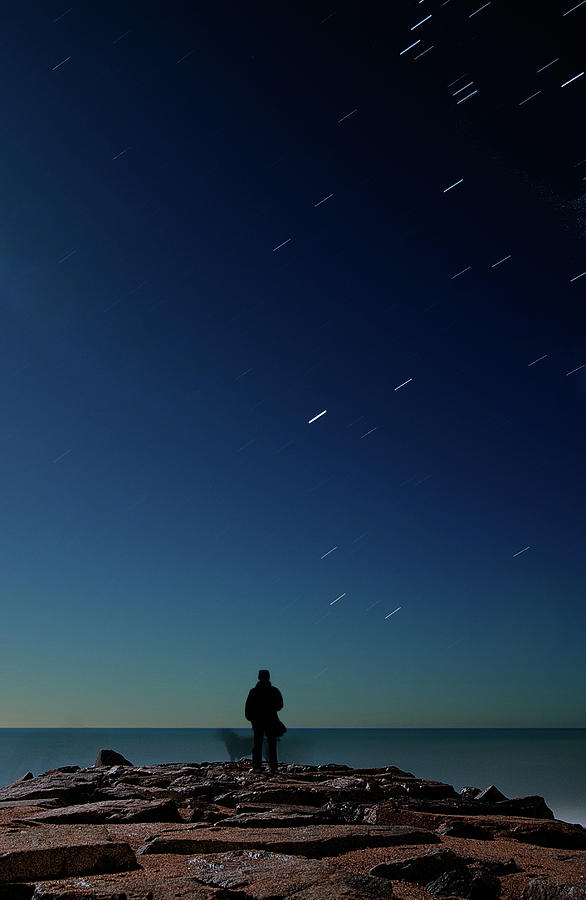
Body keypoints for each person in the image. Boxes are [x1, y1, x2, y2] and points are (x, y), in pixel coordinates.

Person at [244, 669, 284, 774]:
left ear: (259, 677)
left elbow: (248, 708)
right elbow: (280, 705)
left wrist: (252, 718)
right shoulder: (274, 691)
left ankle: (257, 767)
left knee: (258, 744)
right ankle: (273, 767)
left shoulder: (254, 691)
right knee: (272, 744)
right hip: (271, 720)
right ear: (268, 677)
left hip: (258, 722)